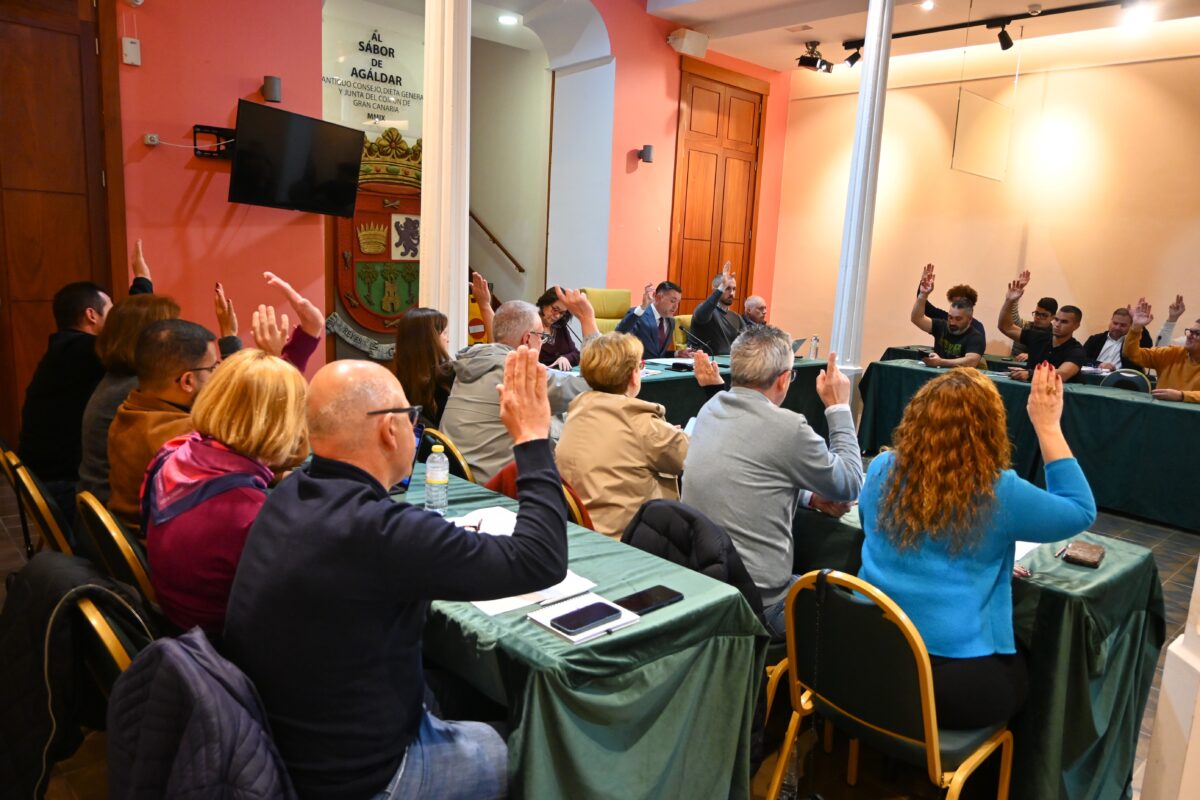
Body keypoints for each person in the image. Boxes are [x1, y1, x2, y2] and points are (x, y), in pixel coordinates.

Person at [223, 348, 568, 800]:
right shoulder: (379, 531)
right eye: (412, 417)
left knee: (477, 688)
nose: (414, 428)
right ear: (390, 429)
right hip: (365, 777)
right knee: (549, 753)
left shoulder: (287, 494)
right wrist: (532, 438)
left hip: (292, 740)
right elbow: (541, 559)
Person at [858, 364, 1096, 728]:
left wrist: (986, 558)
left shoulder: (881, 468)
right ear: (990, 429)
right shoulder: (1000, 491)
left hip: (866, 652)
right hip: (943, 678)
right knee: (1037, 672)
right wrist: (1047, 426)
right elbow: (1080, 509)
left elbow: (874, 529)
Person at [681, 326, 864, 637]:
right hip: (759, 604)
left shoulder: (711, 408)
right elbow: (850, 483)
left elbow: (752, 472)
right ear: (783, 379)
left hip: (706, 585)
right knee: (854, 621)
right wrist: (839, 407)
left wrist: (809, 497)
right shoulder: (787, 427)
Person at [143, 349, 307, 634]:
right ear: (281, 423)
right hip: (218, 643)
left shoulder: (175, 451)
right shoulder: (249, 514)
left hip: (177, 617)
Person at [18, 241, 152, 510]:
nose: (116, 317)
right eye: (111, 309)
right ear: (91, 315)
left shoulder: (67, 349)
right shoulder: (82, 351)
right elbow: (132, 335)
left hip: (45, 475)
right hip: (64, 485)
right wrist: (143, 282)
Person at [555, 332, 703, 538]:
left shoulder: (577, 410)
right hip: (628, 540)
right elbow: (699, 458)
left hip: (582, 532)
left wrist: (664, 430)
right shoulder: (642, 424)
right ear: (634, 375)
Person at [440, 288, 596, 483]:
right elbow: (593, 383)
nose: (542, 342)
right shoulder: (521, 373)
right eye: (541, 337)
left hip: (454, 478)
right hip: (496, 488)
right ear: (526, 339)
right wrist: (587, 319)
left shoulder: (472, 362)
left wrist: (486, 305)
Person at [78, 294, 181, 504]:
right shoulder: (137, 388)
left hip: (98, 500)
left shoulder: (118, 378)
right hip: (116, 510)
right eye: (175, 332)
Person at [997, 273, 1087, 382]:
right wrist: (1009, 300)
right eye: (1056, 319)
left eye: (1064, 322)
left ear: (1076, 326)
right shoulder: (1038, 337)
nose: (1057, 324)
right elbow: (1005, 327)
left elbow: (1062, 374)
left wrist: (1030, 373)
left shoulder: (1076, 350)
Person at [1122, 298, 1200, 403]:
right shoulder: (1172, 353)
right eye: (1190, 331)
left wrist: (1181, 395)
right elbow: (1130, 353)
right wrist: (1136, 327)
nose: (1189, 336)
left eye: (1197, 334)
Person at [909, 264, 984, 368]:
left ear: (969, 319)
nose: (952, 322)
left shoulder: (975, 336)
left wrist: (941, 362)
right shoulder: (942, 325)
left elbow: (971, 361)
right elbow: (917, 318)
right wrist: (923, 294)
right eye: (950, 317)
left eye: (958, 319)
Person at [392, 307, 454, 428]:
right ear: (431, 339)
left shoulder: (396, 381)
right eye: (444, 333)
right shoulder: (449, 375)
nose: (448, 339)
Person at [615, 281, 685, 359]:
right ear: (657, 297)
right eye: (672, 301)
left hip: (659, 366)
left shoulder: (671, 322)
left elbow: (657, 354)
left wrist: (676, 353)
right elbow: (619, 335)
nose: (676, 306)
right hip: (638, 365)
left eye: (678, 302)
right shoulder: (638, 314)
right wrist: (642, 308)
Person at [691, 262, 744, 355]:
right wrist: (722, 287)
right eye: (727, 288)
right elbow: (701, 316)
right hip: (704, 361)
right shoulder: (705, 310)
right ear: (715, 290)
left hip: (730, 361)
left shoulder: (736, 317)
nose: (732, 293)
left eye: (734, 289)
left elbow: (748, 339)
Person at [918, 263, 984, 334]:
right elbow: (925, 307)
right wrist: (923, 291)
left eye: (960, 304)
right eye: (954, 303)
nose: (952, 322)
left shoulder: (977, 328)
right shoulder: (944, 319)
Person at [1082, 307, 1151, 371]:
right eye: (1115, 323)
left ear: (1130, 326)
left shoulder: (1133, 343)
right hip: (1094, 376)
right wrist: (1099, 364)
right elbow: (1082, 359)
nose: (1117, 328)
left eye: (1123, 325)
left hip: (1122, 378)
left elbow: (1147, 346)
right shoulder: (1095, 339)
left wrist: (1139, 325)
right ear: (1111, 321)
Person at [535, 286, 580, 370]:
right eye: (555, 309)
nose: (557, 316)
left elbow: (576, 353)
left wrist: (566, 358)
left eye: (562, 313)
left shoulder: (560, 327)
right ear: (544, 304)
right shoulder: (530, 325)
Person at [1007, 295, 1057, 360]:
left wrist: (1032, 356)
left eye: (1044, 315)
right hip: (1014, 364)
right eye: (1037, 313)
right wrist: (1012, 300)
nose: (1038, 317)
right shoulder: (1025, 326)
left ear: (1053, 317)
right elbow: (1012, 318)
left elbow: (1054, 356)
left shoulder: (1055, 336)